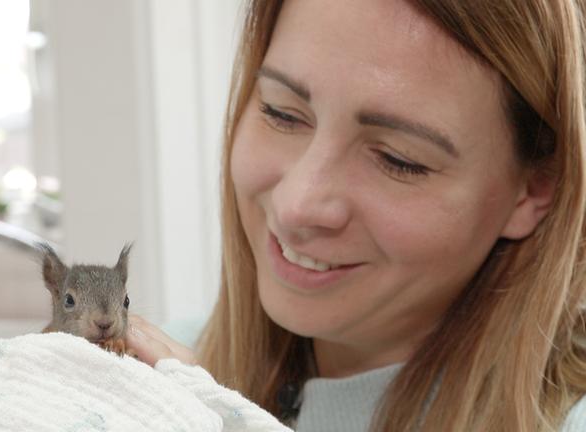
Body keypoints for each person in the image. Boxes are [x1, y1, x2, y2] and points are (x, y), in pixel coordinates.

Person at [127, 0, 586, 430]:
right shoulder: (147, 365)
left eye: (397, 159)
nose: (296, 206)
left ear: (534, 191)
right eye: (281, 113)